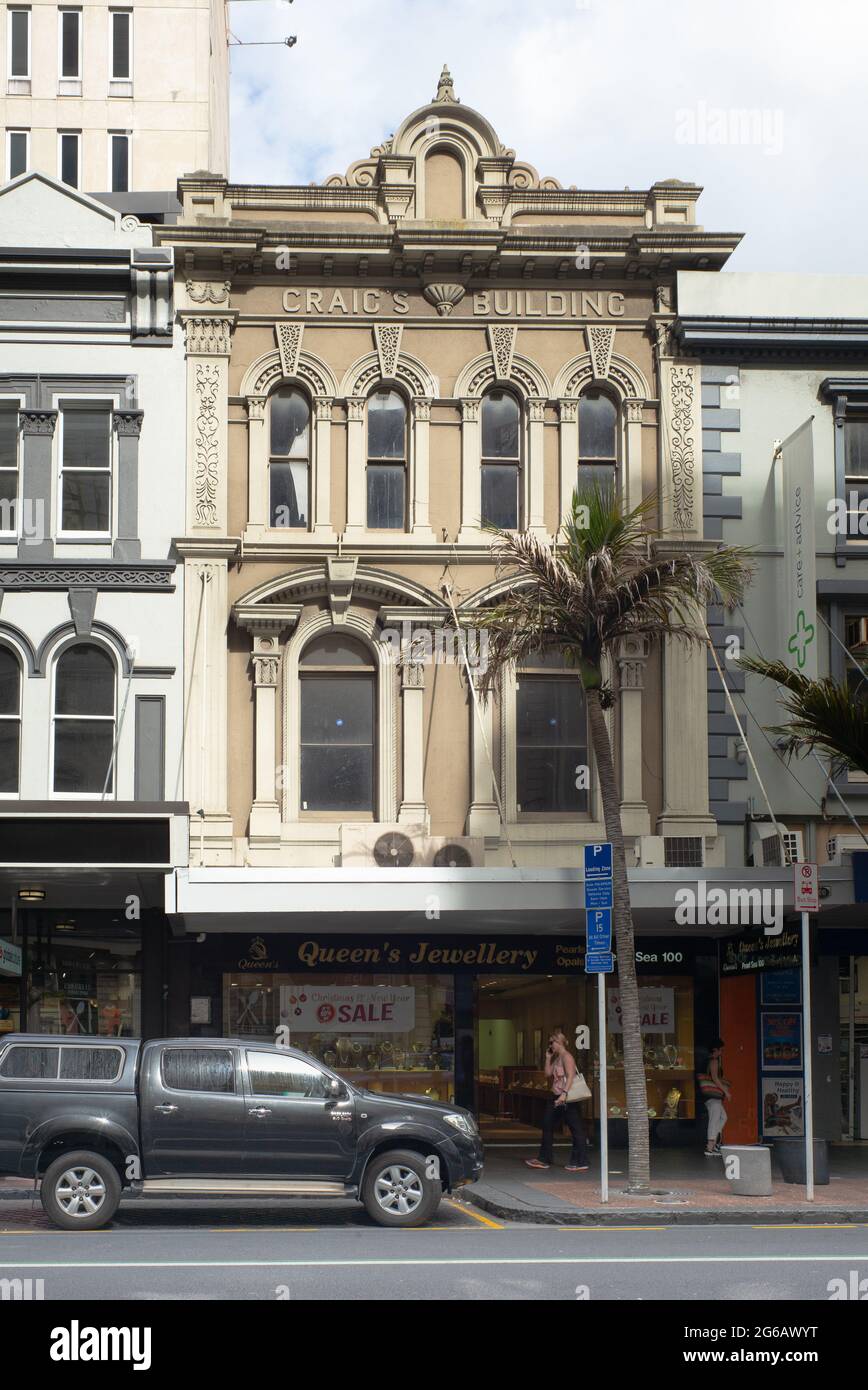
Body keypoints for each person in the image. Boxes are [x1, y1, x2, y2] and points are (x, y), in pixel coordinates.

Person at [525, 1028, 589, 1173]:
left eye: (552, 1042)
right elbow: (547, 1074)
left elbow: (571, 1076)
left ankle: (580, 1161)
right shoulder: (558, 1057)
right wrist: (548, 1057)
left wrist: (564, 1095)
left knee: (575, 1128)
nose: (550, 1045)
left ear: (558, 1042)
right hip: (556, 1096)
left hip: (566, 1098)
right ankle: (544, 1159)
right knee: (548, 1125)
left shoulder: (567, 1057)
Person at [703, 1039, 731, 1156]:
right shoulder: (713, 1061)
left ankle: (713, 1143)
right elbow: (715, 1078)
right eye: (721, 1050)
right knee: (714, 1120)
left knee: (723, 1117)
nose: (721, 1052)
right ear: (715, 1050)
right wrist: (726, 1091)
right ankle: (710, 1147)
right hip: (713, 1096)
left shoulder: (707, 1060)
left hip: (709, 1096)